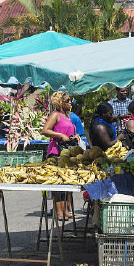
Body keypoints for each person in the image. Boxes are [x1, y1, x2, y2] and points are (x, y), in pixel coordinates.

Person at [42, 91, 79, 221]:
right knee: (58, 183)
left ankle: (66, 210)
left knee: (67, 182)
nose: (70, 102)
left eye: (70, 100)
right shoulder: (55, 115)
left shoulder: (69, 116)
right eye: (68, 100)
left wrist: (76, 136)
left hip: (67, 152)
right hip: (56, 152)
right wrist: (60, 135)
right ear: (60, 102)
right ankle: (59, 212)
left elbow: (70, 131)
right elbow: (45, 130)